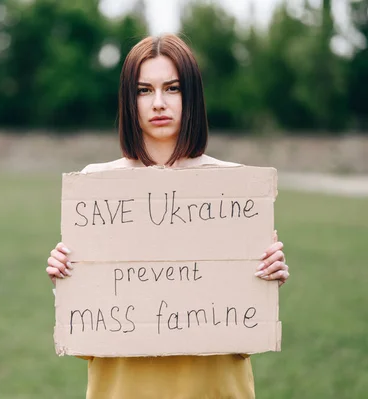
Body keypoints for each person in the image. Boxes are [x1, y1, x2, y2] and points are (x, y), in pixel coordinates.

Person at [45, 34, 290, 399]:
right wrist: (68, 276)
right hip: (124, 387)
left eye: (172, 88)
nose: (158, 103)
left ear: (191, 95)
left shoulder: (236, 189)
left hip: (213, 386)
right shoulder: (97, 188)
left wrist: (266, 278)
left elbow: (243, 332)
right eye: (144, 90)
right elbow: (88, 339)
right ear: (129, 100)